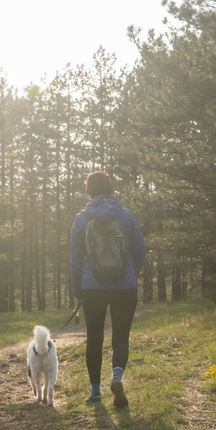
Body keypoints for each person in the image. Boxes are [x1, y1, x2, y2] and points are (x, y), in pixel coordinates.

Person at [69, 170, 148, 408]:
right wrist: (132, 273)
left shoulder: (81, 219)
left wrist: (77, 291)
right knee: (121, 338)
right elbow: (141, 249)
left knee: (94, 338)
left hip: (92, 287)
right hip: (125, 286)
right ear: (111, 190)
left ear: (88, 191)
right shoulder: (125, 215)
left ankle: (95, 393)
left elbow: (75, 259)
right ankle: (116, 376)